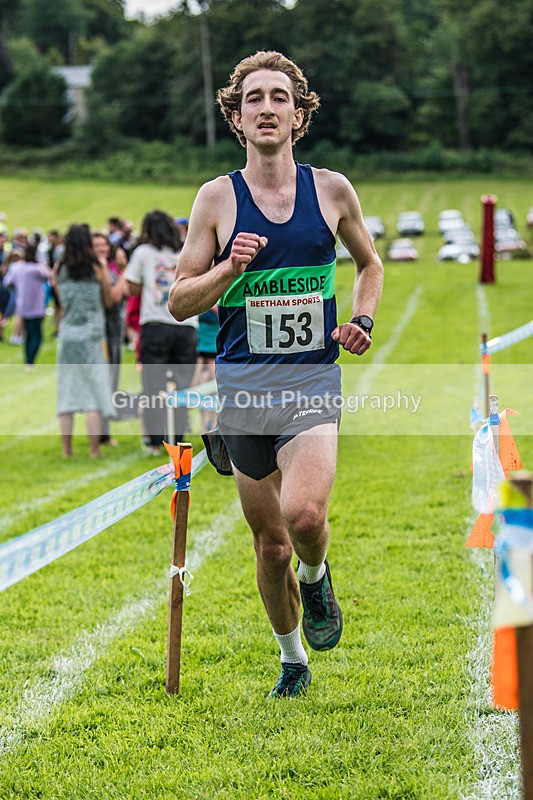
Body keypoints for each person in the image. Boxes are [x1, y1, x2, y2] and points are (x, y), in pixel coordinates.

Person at [168, 51, 384, 698]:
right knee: (270, 548)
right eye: (253, 99)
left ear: (298, 113)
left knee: (305, 517)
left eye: (278, 97)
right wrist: (226, 271)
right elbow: (178, 300)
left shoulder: (331, 191)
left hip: (311, 384)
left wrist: (361, 322)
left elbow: (369, 266)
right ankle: (292, 659)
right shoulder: (215, 198)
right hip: (241, 392)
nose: (267, 107)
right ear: (237, 118)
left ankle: (318, 585)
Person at [124, 210, 198, 456]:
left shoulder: (144, 253)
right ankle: (177, 440)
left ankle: (156, 442)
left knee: (153, 386)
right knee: (182, 386)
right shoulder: (184, 251)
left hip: (155, 323)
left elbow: (132, 288)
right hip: (186, 325)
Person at [54, 224, 116, 458]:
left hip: (68, 334)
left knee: (66, 391)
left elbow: (60, 301)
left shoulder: (60, 267)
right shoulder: (97, 266)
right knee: (94, 391)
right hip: (92, 334)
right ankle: (93, 450)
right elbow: (108, 301)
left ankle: (67, 450)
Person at [4, 241, 51, 369]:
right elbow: (48, 275)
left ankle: (28, 360)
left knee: (29, 335)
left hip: (22, 305)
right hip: (36, 306)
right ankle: (30, 361)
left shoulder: (18, 268)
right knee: (36, 335)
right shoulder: (37, 268)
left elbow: (7, 281)